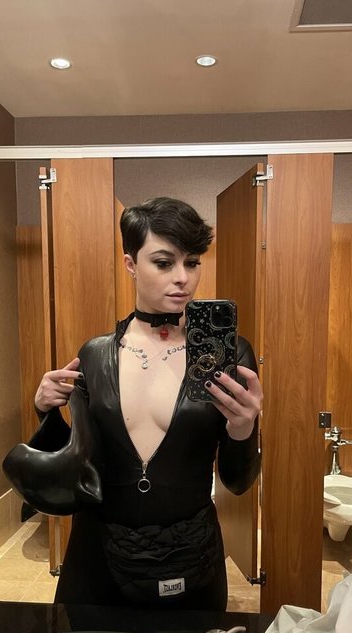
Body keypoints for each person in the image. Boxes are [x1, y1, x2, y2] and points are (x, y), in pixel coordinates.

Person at [33, 196, 262, 610]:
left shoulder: (227, 355)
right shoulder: (94, 356)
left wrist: (244, 430)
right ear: (131, 264)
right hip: (98, 554)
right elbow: (75, 466)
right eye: (164, 262)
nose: (183, 279)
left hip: (191, 552)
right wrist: (47, 411)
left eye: (192, 263)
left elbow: (237, 482)